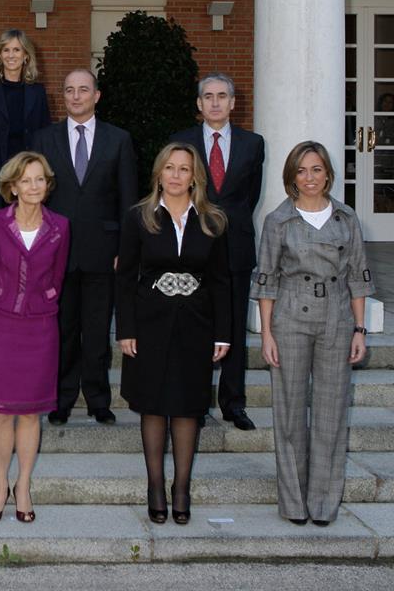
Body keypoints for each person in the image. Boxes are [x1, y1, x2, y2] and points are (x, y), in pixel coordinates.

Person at [252, 141, 374, 526]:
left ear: (328, 174)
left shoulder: (346, 218)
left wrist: (360, 328)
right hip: (290, 317)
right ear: (291, 176)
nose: (310, 178)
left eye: (316, 169)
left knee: (330, 413)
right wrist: (266, 333)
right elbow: (267, 280)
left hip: (337, 318)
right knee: (289, 413)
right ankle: (292, 502)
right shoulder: (278, 220)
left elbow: (357, 276)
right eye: (302, 171)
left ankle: (323, 502)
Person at [116, 143, 230, 525]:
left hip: (196, 327)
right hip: (148, 325)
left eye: (184, 169)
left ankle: (181, 488)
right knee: (153, 404)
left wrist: (223, 334)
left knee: (187, 406)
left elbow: (221, 282)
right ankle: (154, 486)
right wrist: (126, 328)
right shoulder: (140, 218)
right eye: (170, 168)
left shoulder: (213, 220)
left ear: (194, 175)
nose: (177, 175)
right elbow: (125, 278)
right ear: (159, 173)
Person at [31, 68, 136, 425]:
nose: (76, 96)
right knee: (62, 329)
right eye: (69, 90)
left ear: (96, 95)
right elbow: (36, 198)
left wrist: (126, 247)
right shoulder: (44, 139)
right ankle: (60, 399)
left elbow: (128, 199)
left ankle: (97, 399)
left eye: (83, 90)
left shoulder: (118, 140)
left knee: (96, 330)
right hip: (56, 253)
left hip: (103, 251)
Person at [0, 151, 69, 524]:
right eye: (26, 180)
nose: (33, 186)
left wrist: (43, 301)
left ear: (47, 184)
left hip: (41, 327)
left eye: (40, 179)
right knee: (0, 414)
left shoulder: (61, 225)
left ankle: (23, 486)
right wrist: (0, 299)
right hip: (2, 326)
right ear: (12, 187)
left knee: (30, 414)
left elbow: (58, 277)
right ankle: (0, 485)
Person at [170, 73, 265, 430]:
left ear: (233, 103)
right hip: (193, 247)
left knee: (234, 327)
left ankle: (233, 403)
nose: (214, 102)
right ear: (198, 104)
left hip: (236, 247)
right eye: (208, 96)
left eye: (222, 96)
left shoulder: (253, 144)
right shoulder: (182, 142)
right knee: (193, 326)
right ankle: (194, 402)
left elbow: (248, 197)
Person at [0, 29, 52, 161]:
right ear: (0, 55)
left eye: (16, 50)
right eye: (6, 50)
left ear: (25, 55)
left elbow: (45, 134)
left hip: (28, 166)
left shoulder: (38, 93)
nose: (11, 55)